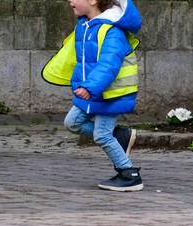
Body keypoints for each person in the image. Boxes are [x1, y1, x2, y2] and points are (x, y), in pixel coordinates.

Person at [42, 0, 143, 191]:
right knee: (72, 122)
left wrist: (90, 87)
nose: (70, 1)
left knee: (101, 135)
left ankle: (129, 173)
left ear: (92, 0)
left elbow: (109, 64)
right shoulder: (85, 26)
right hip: (94, 91)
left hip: (110, 93)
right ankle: (119, 136)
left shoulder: (111, 30)